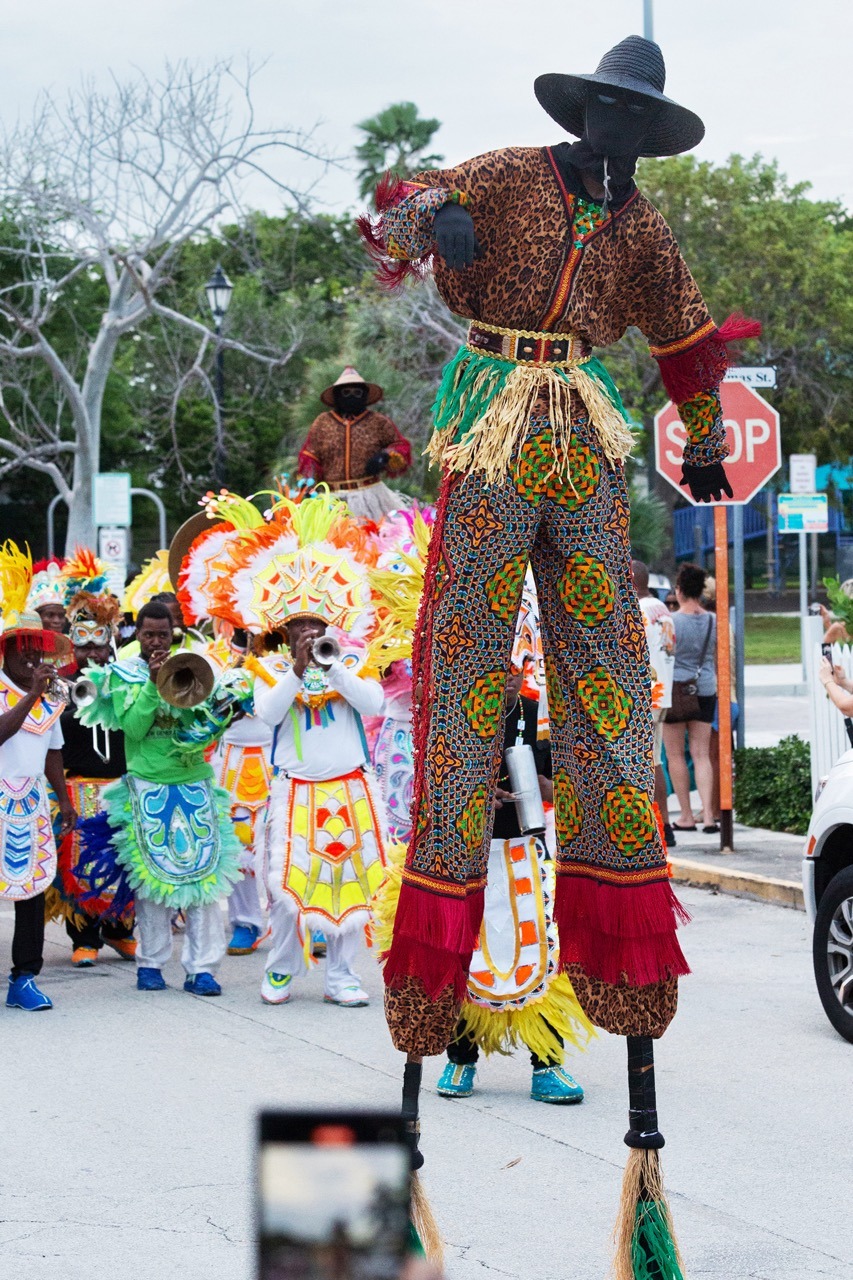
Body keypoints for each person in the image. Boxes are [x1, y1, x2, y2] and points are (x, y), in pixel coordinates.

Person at [359, 32, 759, 1056]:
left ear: (648, 135)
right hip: (491, 412)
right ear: (582, 111)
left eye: (636, 119)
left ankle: (619, 941)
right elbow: (397, 215)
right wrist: (431, 216)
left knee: (608, 668)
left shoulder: (644, 227)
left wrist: (706, 441)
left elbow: (686, 336)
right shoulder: (503, 174)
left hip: (578, 423)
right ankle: (432, 961)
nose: (617, 130)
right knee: (461, 668)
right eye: (607, 110)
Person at [432, 664, 591, 1103]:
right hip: (470, 850)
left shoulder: (538, 713)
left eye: (512, 664)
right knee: (466, 952)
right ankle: (460, 1058)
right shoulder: (455, 711)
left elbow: (562, 778)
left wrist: (550, 786)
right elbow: (432, 780)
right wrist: (478, 793)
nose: (504, 674)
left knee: (545, 949)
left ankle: (548, 1062)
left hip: (528, 849)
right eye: (495, 661)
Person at [78, 600, 243, 994]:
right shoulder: (122, 675)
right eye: (149, 634)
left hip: (194, 785)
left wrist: (212, 710)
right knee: (152, 883)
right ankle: (150, 963)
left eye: (163, 635)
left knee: (205, 880)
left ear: (174, 634)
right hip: (147, 787)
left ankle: (202, 969)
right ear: (136, 634)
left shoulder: (193, 664)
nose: (156, 642)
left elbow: (208, 728)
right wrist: (154, 687)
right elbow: (133, 730)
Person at [255, 614, 387, 1007]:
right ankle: (280, 970)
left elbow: (373, 703)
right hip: (295, 793)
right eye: (298, 626)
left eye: (315, 625)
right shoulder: (272, 669)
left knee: (351, 884)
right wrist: (297, 670)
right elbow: (269, 714)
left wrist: (334, 668)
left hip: (349, 789)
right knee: (286, 888)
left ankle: (341, 978)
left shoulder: (352, 661)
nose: (308, 633)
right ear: (286, 633)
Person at [0, 542, 76, 1010]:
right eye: (21, 647)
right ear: (5, 651)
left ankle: (24, 978)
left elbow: (52, 750)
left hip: (29, 805)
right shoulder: (27, 692)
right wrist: (31, 694)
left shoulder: (51, 697)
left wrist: (64, 799)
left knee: (31, 891)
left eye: (36, 647)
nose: (31, 656)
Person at [56, 590, 136, 967]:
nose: (92, 653)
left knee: (124, 861)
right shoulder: (59, 686)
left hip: (120, 785)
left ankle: (120, 931)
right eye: (83, 644)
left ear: (111, 645)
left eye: (99, 644)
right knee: (82, 865)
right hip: (79, 785)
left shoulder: (126, 683)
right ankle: (84, 936)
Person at [297, 367, 413, 520]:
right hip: (332, 498)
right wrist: (308, 481)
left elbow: (399, 445)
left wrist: (384, 456)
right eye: (346, 393)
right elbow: (310, 455)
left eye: (357, 393)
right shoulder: (323, 422)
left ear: (364, 396)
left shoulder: (377, 421)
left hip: (369, 496)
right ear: (337, 395)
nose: (351, 397)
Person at [662, 563, 718, 834]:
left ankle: (686, 815)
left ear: (680, 590)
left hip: (675, 690)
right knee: (701, 754)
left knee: (675, 755)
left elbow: (663, 655)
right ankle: (708, 815)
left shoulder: (671, 622)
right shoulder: (713, 620)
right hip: (705, 687)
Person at [631, 559, 676, 846]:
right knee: (654, 759)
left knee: (649, 762)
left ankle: (659, 825)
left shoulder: (637, 612)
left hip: (644, 695)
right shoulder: (663, 611)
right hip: (662, 693)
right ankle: (663, 824)